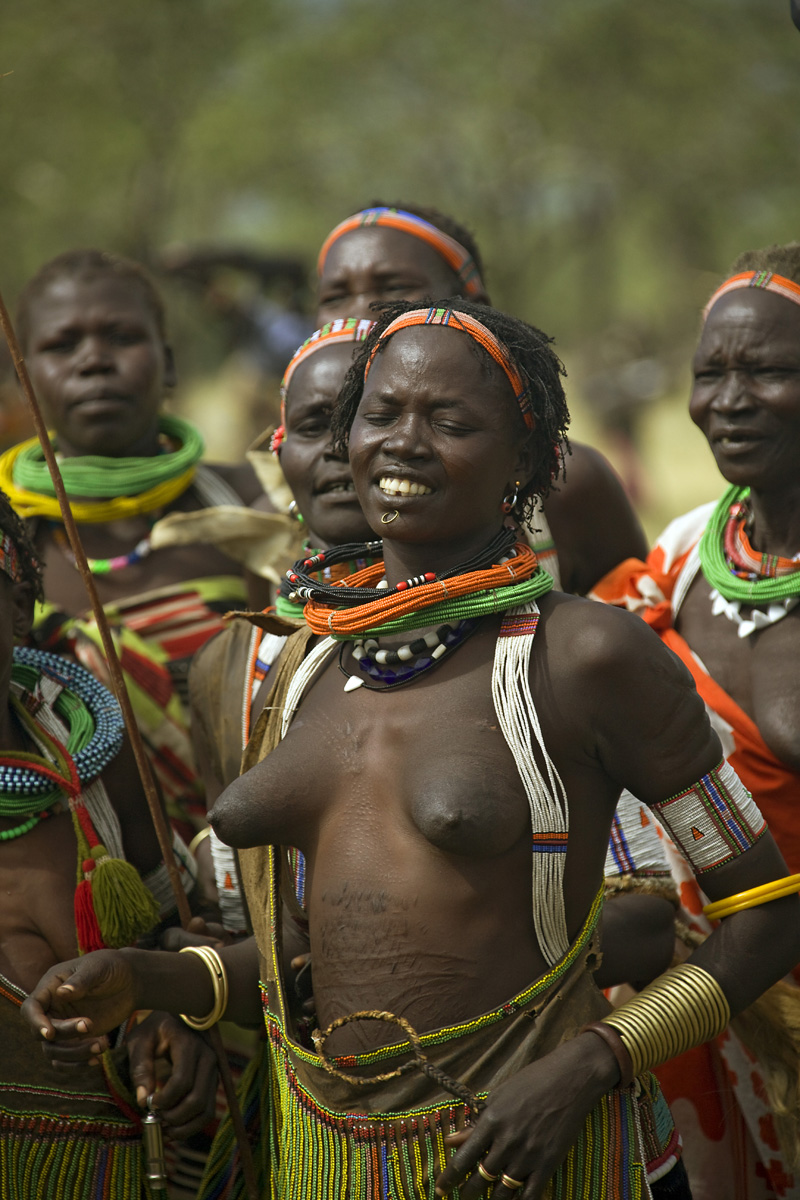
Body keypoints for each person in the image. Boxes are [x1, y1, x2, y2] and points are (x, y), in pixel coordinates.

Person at [23, 298, 800, 1200]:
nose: (403, 442)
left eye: (452, 421)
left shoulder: (583, 653)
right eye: (381, 413)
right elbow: (307, 972)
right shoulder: (298, 664)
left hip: (547, 1162)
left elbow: (768, 911)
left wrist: (591, 1063)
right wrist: (143, 979)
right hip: (329, 1165)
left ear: (528, 461)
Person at [591, 244, 800, 1198]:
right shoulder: (673, 570)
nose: (730, 398)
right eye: (710, 371)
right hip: (694, 1012)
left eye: (769, 370)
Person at [0, 488, 216, 1196]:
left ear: (21, 604)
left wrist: (172, 1015)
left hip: (119, 1152)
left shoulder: (90, 748)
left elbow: (179, 930)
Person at [2, 249, 262, 835]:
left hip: (261, 859)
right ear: (25, 377)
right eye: (62, 345)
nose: (94, 361)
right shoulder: (7, 539)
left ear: (168, 364)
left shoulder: (256, 506)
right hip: (79, 880)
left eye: (121, 337)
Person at [315, 203, 649, 594]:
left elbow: (640, 626)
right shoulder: (298, 489)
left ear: (473, 305)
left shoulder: (565, 485)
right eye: (335, 296)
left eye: (393, 290)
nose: (362, 315)